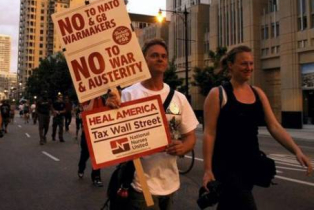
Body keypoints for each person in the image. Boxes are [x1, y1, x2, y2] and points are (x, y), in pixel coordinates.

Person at [202, 45, 313, 210]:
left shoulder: (258, 93)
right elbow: (209, 133)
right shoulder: (218, 94)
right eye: (244, 64)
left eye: (251, 64)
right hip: (227, 166)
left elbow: (274, 126)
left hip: (250, 164)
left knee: (229, 205)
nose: (249, 68)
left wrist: (296, 151)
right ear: (230, 65)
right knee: (245, 204)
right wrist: (208, 169)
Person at [120, 38, 199, 209]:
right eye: (154, 55)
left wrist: (183, 147)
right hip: (139, 184)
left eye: (163, 56)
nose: (160, 59)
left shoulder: (179, 98)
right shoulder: (128, 95)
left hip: (170, 184)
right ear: (144, 60)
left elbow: (191, 137)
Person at [77, 98, 104, 187]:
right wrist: (92, 99)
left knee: (97, 156)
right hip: (87, 133)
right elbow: (87, 111)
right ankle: (81, 168)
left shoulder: (102, 99)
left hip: (98, 132)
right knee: (85, 154)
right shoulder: (85, 100)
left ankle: (96, 177)